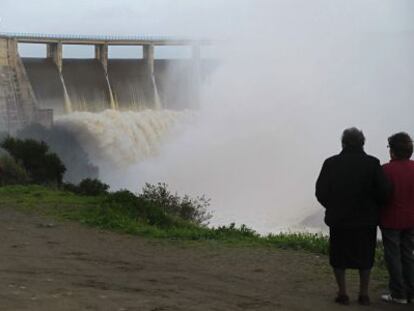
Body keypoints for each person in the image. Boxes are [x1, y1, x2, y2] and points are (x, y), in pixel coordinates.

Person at [316, 127, 390, 306]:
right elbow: (384, 192)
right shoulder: (373, 163)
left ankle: (342, 293)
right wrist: (374, 206)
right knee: (365, 257)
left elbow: (321, 192)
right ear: (363, 142)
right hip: (366, 220)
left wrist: (333, 206)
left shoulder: (331, 163)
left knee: (338, 256)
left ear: (343, 143)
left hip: (339, 219)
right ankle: (364, 294)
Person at [380, 132, 414, 305]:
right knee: (408, 254)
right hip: (411, 220)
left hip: (390, 220)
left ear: (393, 151)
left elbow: (380, 195)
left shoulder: (386, 170)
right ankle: (411, 291)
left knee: (393, 256)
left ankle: (398, 293)